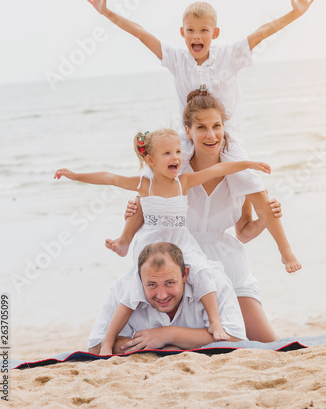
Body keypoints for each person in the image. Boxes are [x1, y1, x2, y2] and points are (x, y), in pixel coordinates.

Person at [85, 0, 315, 272]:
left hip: (224, 137)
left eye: (204, 30)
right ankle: (125, 238)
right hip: (187, 136)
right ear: (182, 33)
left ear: (214, 34)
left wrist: (294, 13)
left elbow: (262, 32)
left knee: (255, 186)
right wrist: (107, 12)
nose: (197, 36)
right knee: (152, 177)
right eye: (191, 30)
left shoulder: (229, 54)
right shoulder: (176, 58)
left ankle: (285, 250)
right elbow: (141, 33)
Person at [54, 128, 270, 345]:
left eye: (177, 151)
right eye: (167, 153)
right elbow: (110, 178)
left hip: (181, 242)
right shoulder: (144, 185)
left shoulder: (183, 182)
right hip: (151, 244)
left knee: (203, 271)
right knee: (134, 286)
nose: (175, 157)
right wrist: (75, 175)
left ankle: (215, 322)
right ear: (150, 160)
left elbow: (218, 169)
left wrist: (248, 164)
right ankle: (108, 341)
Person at [120, 90, 282, 342]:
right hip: (180, 266)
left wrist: (265, 217)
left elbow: (244, 233)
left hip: (230, 267)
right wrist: (129, 223)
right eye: (202, 127)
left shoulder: (238, 174)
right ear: (188, 131)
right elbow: (146, 208)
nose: (211, 135)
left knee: (268, 342)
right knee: (150, 336)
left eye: (217, 126)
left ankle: (173, 334)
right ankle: (170, 333)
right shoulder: (173, 171)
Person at [88, 242, 247, 355]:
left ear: (185, 274)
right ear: (140, 279)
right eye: (151, 285)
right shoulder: (123, 288)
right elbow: (96, 347)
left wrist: (168, 335)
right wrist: (158, 349)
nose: (162, 295)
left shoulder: (213, 282)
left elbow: (236, 339)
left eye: (170, 283)